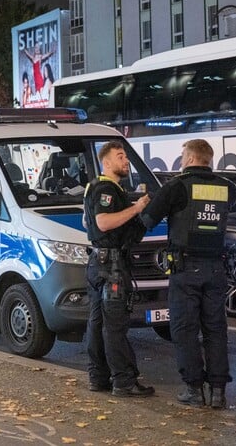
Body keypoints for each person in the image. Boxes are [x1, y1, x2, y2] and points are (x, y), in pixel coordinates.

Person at [140, 139, 234, 409]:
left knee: (185, 329)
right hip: (216, 268)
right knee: (216, 329)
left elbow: (148, 220)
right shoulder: (227, 187)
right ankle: (218, 392)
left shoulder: (177, 187)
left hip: (186, 269)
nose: (181, 161)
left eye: (183, 156)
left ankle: (194, 389)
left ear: (192, 158)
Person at [84, 141, 154, 397]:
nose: (126, 161)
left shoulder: (94, 187)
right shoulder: (107, 189)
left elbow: (87, 222)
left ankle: (98, 377)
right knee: (114, 324)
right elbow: (103, 222)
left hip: (97, 262)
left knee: (97, 322)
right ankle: (124, 381)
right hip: (112, 266)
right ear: (107, 163)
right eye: (120, 156)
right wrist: (136, 208)